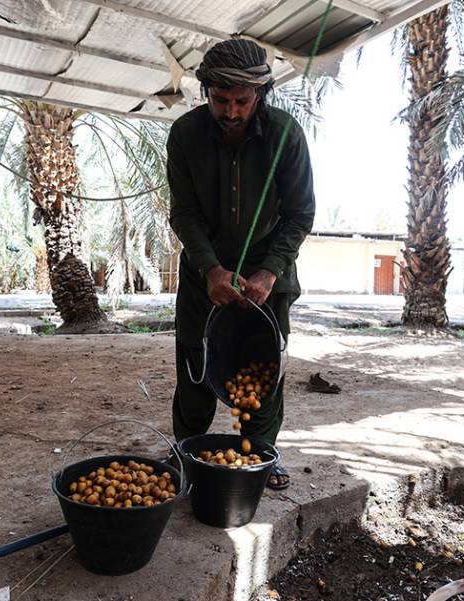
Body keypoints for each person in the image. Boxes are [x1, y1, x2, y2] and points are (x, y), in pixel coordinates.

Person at [167, 39, 315, 490]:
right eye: (220, 100)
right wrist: (210, 269)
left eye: (242, 101)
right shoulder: (186, 134)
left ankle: (262, 454)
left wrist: (269, 270)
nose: (231, 112)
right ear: (206, 92)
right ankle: (187, 451)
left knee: (263, 369)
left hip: (267, 278)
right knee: (197, 363)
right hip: (203, 276)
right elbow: (184, 213)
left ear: (262, 94)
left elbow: (300, 214)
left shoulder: (286, 135)